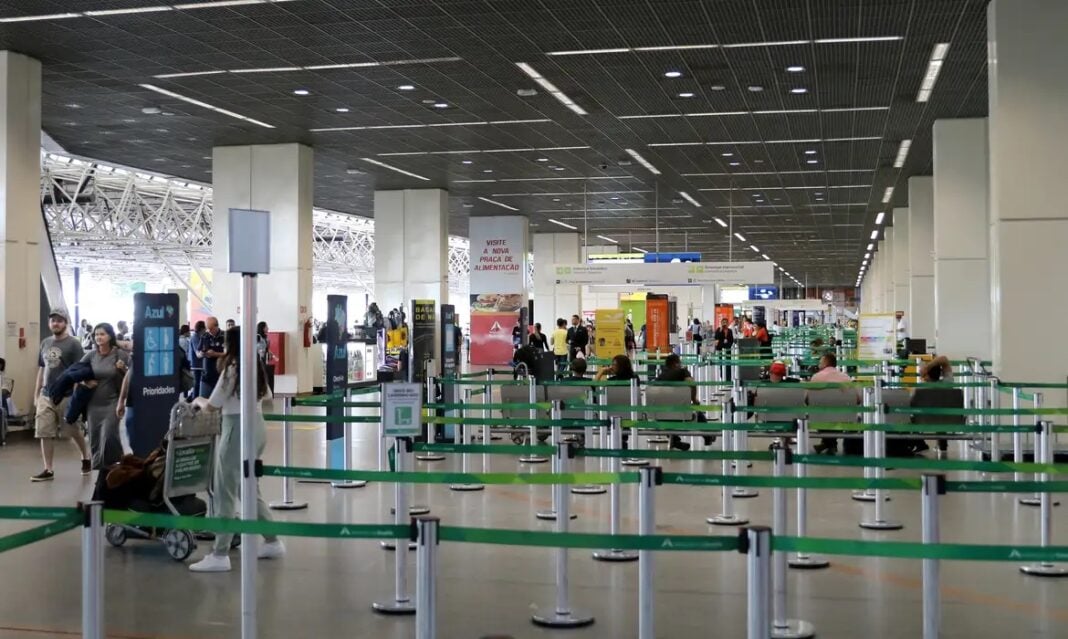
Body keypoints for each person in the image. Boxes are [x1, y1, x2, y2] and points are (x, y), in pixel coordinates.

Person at [189, 326, 284, 572]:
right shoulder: (255, 366)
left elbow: (213, 404)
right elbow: (268, 396)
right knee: (248, 486)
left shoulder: (233, 368)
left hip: (236, 430)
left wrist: (198, 401)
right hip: (257, 427)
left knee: (225, 489)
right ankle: (272, 540)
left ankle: (220, 554)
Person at [31, 309, 91, 482]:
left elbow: (78, 371)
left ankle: (85, 456)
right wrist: (36, 395)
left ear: (65, 323)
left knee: (72, 430)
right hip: (46, 394)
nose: (55, 323)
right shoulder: (45, 343)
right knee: (44, 432)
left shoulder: (74, 344)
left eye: (59, 320)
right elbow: (42, 370)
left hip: (66, 395)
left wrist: (74, 396)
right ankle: (48, 469)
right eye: (52, 321)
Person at [80, 322, 131, 470]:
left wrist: (123, 369)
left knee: (109, 435)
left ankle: (115, 465)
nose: (98, 337)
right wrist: (85, 381)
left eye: (102, 334)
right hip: (93, 404)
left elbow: (131, 374)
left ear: (110, 336)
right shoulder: (90, 355)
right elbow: (75, 372)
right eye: (96, 334)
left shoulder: (119, 354)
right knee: (95, 437)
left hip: (112, 401)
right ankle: (100, 469)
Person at [654, 353, 705, 451]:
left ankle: (675, 440)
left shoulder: (660, 376)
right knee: (695, 410)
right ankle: (708, 436)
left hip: (660, 416)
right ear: (676, 364)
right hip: (681, 414)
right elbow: (691, 382)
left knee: (669, 412)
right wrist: (693, 399)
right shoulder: (682, 371)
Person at [810, 353, 854, 454]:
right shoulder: (845, 377)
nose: (818, 363)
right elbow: (856, 399)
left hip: (820, 417)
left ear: (826, 363)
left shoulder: (816, 377)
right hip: (844, 416)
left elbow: (808, 399)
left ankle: (828, 444)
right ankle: (829, 444)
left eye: (820, 361)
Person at [197, 317, 226, 398]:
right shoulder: (204, 336)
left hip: (221, 376)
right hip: (206, 375)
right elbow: (198, 354)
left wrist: (215, 354)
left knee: (219, 403)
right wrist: (202, 353)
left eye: (211, 329)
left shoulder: (225, 336)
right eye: (207, 329)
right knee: (203, 401)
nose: (209, 331)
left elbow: (229, 354)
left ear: (217, 326)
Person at [188, 320, 207, 401]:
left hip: (199, 365)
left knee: (198, 385)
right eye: (205, 328)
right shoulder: (195, 337)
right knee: (197, 385)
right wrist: (207, 353)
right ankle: (194, 402)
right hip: (196, 365)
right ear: (202, 329)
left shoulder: (199, 337)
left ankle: (193, 400)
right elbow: (198, 354)